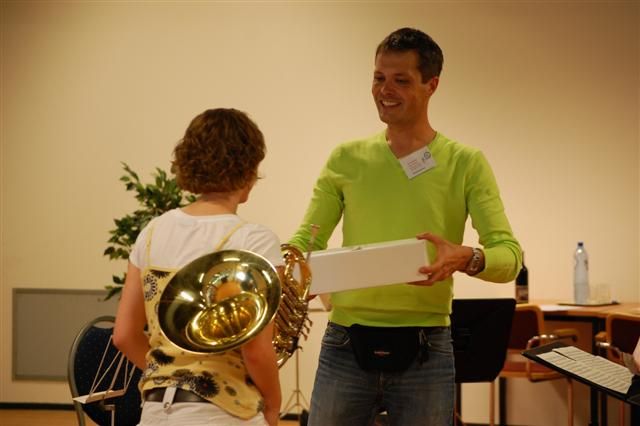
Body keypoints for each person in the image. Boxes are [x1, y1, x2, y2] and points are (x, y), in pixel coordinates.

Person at [289, 27, 522, 426]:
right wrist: (289, 267)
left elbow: (509, 257)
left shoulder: (466, 163)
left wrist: (466, 257)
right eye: (379, 77)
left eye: (401, 80)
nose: (385, 90)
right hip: (345, 341)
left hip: (427, 348)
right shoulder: (345, 158)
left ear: (432, 84)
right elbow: (306, 238)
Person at [114, 108, 282, 426]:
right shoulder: (254, 241)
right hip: (225, 412)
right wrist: (273, 405)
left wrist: (174, 375)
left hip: (155, 411)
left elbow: (123, 335)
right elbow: (256, 350)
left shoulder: (152, 232)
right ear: (248, 168)